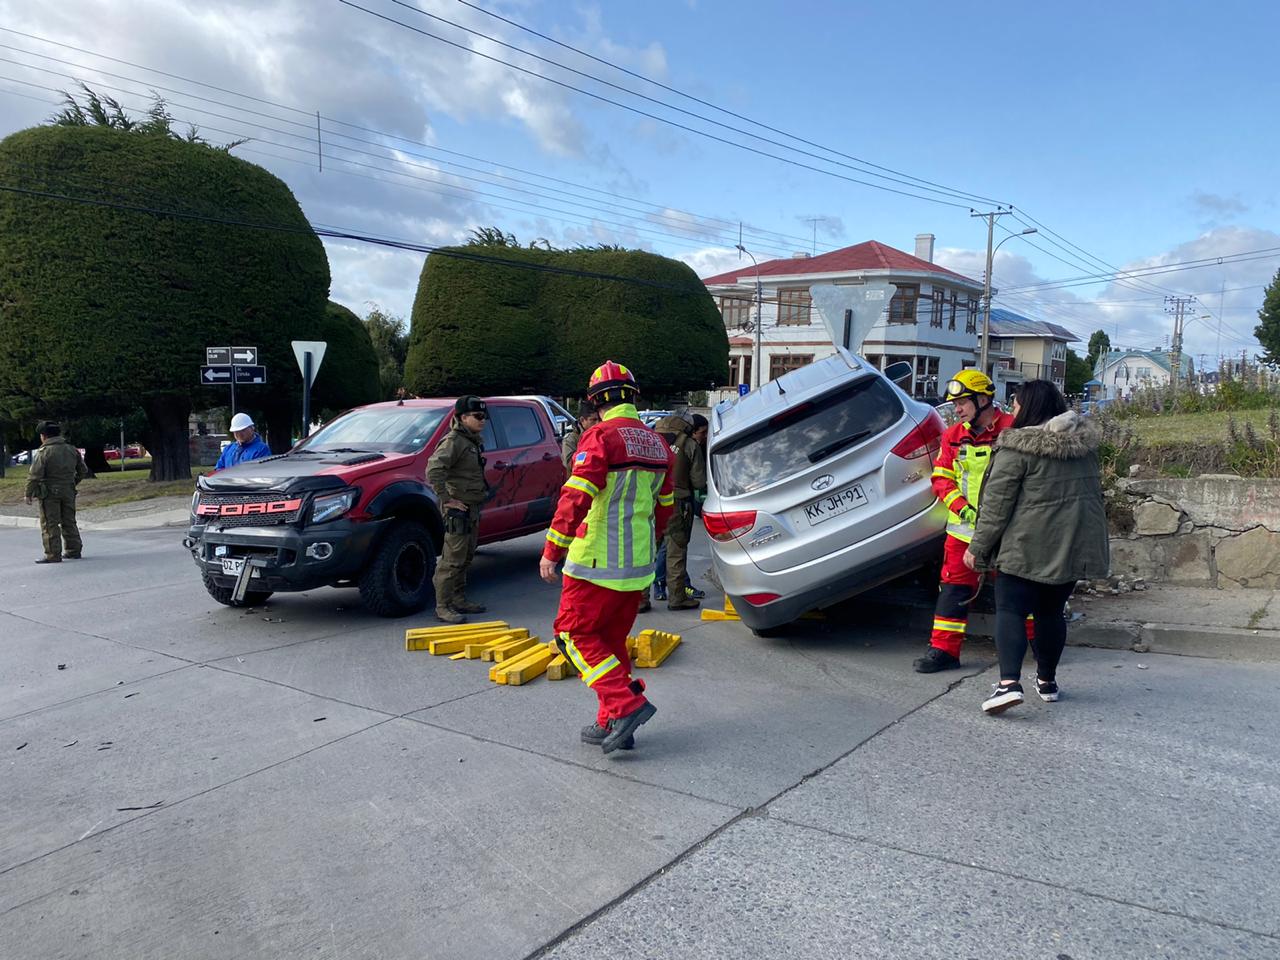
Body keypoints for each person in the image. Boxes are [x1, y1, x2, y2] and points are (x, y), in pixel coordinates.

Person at [540, 361, 674, 754]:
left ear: (596, 402)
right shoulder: (658, 444)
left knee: (572, 635)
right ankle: (613, 721)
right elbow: (663, 509)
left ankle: (627, 705)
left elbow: (575, 496)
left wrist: (552, 550)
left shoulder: (600, 436)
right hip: (636, 565)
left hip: (596, 562)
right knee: (611, 643)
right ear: (633, 397)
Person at [965, 380, 1109, 714]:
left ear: (1029, 407)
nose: (1011, 410)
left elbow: (997, 505)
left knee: (1011, 609)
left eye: (1015, 404)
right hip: (1074, 543)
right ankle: (1047, 682)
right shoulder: (1083, 448)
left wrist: (979, 547)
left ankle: (1008, 685)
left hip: (1027, 544)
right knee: (1050, 611)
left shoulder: (1018, 449)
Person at [913, 369, 1031, 673]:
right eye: (955, 404)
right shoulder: (953, 436)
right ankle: (944, 651)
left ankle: (1038, 643)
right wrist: (964, 509)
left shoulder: (1013, 430)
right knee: (952, 590)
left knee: (1018, 589)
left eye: (962, 403)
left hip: (1008, 531)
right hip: (964, 531)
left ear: (982, 399)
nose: (957, 410)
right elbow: (942, 478)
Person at [427, 395, 491, 624]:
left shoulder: (470, 440)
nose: (483, 420)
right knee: (452, 559)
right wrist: (446, 499)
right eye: (478, 416)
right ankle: (442, 606)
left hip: (471, 507)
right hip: (459, 509)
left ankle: (458, 598)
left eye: (484, 417)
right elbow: (434, 470)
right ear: (463, 417)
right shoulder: (454, 441)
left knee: (466, 555)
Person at [648, 413, 705, 611]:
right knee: (676, 552)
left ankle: (639, 600)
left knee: (646, 552)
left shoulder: (649, 439)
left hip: (648, 502)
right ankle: (678, 598)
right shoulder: (689, 444)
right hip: (677, 504)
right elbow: (699, 481)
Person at [24, 421, 89, 564]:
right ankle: (74, 550)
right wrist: (72, 482)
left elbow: (35, 475)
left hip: (49, 492)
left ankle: (53, 554)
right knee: (69, 521)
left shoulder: (44, 452)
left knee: (50, 523)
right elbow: (83, 470)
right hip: (68, 490)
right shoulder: (71, 449)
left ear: (43, 436)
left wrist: (28, 493)